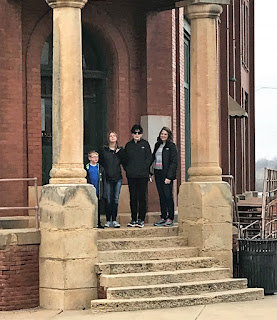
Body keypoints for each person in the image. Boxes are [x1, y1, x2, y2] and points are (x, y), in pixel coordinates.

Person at [123, 124, 152, 228]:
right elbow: (125, 160)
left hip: (143, 176)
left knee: (142, 197)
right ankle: (133, 218)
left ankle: (141, 219)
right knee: (133, 197)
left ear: (141, 134)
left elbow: (149, 158)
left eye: (139, 133)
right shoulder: (128, 145)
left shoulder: (145, 144)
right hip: (131, 176)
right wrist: (128, 170)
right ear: (132, 134)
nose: (136, 134)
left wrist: (144, 169)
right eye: (135, 133)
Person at [152, 127, 178, 227]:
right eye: (162, 134)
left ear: (168, 136)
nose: (163, 136)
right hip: (158, 173)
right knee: (161, 196)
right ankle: (163, 217)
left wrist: (169, 176)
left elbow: (174, 162)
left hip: (166, 175)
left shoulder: (171, 146)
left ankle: (170, 218)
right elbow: (153, 157)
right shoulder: (157, 145)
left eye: (165, 134)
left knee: (168, 196)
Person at [99, 132, 124, 228]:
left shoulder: (120, 150)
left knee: (116, 199)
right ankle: (108, 219)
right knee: (108, 199)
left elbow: (124, 161)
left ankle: (114, 219)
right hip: (107, 177)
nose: (112, 137)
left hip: (117, 177)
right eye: (110, 136)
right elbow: (101, 162)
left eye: (114, 136)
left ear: (117, 138)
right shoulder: (104, 150)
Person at [85, 150, 106, 229]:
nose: (95, 158)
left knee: (98, 207)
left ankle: (98, 222)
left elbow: (103, 179)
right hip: (90, 190)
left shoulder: (100, 168)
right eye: (93, 157)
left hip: (98, 190)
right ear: (89, 158)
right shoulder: (86, 167)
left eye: (97, 157)